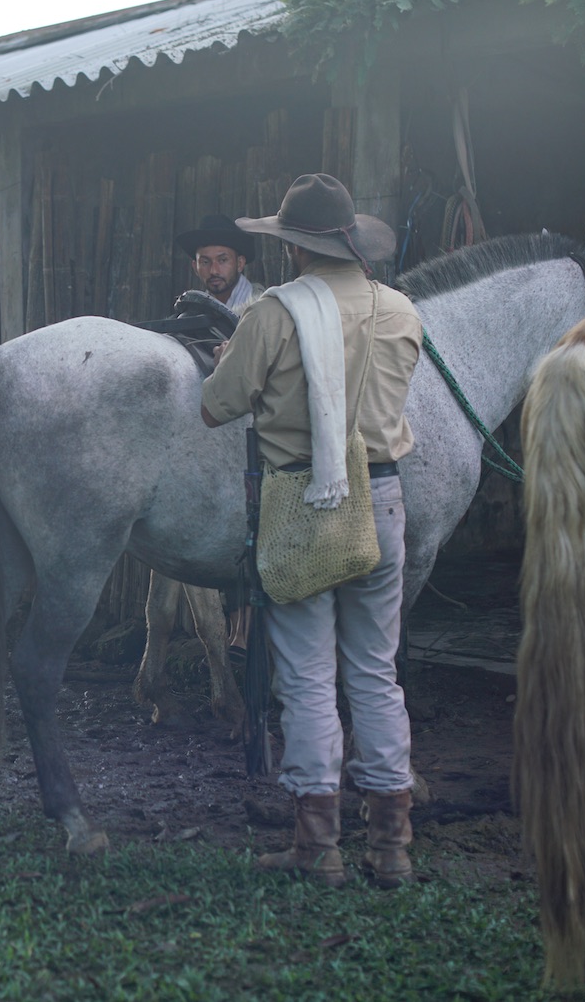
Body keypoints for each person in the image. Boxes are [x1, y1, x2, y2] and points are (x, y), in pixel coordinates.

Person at [199, 174, 422, 888]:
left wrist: (236, 365)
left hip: (302, 500)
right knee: (376, 672)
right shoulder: (401, 311)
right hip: (384, 500)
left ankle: (318, 845)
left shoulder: (271, 314)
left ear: (293, 248)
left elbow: (216, 406)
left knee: (306, 678)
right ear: (349, 241)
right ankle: (391, 846)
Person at [174, 214, 262, 310]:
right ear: (195, 267)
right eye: (205, 262)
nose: (213, 271)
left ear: (240, 263)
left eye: (222, 260)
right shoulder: (194, 312)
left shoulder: (262, 308)